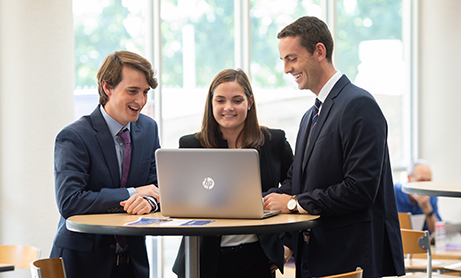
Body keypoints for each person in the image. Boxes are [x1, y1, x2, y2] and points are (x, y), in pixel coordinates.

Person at [263, 16, 405, 278]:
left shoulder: (359, 105)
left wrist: (293, 204)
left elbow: (360, 189)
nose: (285, 69)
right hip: (315, 257)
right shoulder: (310, 116)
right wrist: (260, 201)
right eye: (283, 60)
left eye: (291, 58)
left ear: (319, 51)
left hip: (349, 259)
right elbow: (297, 180)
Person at [172, 68, 294, 278]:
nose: (228, 107)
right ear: (211, 103)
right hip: (203, 259)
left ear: (250, 101)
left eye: (237, 100)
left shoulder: (273, 142)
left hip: (257, 257)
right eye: (220, 100)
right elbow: (180, 198)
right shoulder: (191, 145)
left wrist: (288, 245)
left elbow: (297, 187)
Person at [50, 50, 161, 278]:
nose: (140, 101)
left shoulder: (148, 129)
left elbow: (156, 187)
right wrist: (133, 193)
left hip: (133, 263)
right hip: (83, 264)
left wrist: (149, 200)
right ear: (107, 87)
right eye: (132, 91)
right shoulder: (74, 136)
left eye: (145, 92)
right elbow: (70, 202)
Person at [395, 160, 441, 232]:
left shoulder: (431, 197)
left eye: (428, 181)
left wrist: (427, 210)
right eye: (421, 180)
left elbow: (438, 233)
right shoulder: (394, 193)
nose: (425, 186)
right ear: (409, 178)